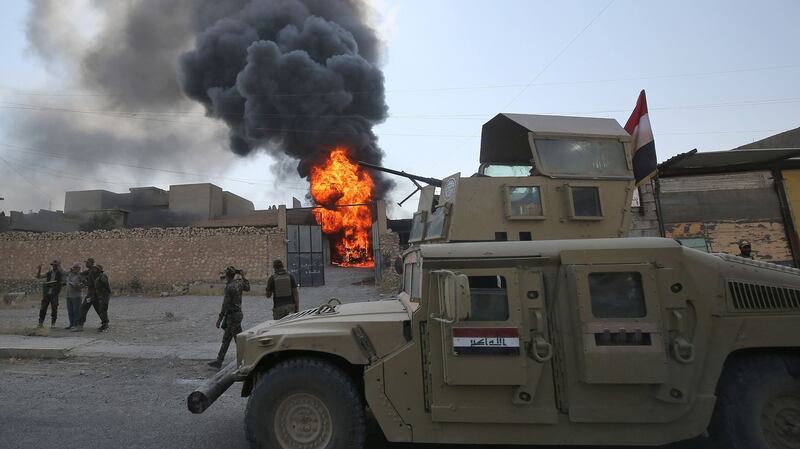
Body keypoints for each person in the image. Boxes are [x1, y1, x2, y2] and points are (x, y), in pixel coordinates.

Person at [209, 266, 250, 369]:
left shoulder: (230, 287)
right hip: (237, 314)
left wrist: (219, 319)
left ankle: (247, 360)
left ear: (227, 275)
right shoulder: (239, 283)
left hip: (232, 316)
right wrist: (243, 276)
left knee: (238, 339)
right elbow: (248, 288)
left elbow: (225, 305)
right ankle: (219, 360)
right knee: (227, 338)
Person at [72, 258, 109, 332]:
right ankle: (81, 325)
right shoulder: (90, 270)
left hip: (96, 295)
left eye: (87, 262)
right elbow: (82, 275)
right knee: (85, 308)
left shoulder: (94, 271)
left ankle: (105, 325)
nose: (86, 264)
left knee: (98, 309)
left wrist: (82, 282)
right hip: (92, 294)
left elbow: (89, 282)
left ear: (91, 263)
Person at [36, 260, 65, 328]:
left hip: (54, 293)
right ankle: (40, 323)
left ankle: (53, 324)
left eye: (56, 265)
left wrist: (58, 284)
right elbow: (38, 276)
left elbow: (64, 282)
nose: (54, 266)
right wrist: (39, 269)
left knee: (54, 308)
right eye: (53, 265)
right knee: (43, 308)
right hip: (47, 293)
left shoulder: (60, 274)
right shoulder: (49, 273)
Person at [64, 263, 84, 330]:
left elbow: (83, 284)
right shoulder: (70, 275)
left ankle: (76, 325)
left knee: (76, 311)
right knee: (70, 311)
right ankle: (71, 324)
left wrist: (77, 285)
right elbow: (63, 273)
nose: (75, 269)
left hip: (76, 296)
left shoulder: (81, 275)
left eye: (76, 268)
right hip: (69, 296)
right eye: (74, 267)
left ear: (79, 269)